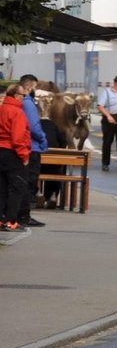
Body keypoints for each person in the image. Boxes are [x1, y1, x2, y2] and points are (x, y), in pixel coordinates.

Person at [17, 75, 48, 227]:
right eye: (35, 87)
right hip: (32, 147)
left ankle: (19, 215)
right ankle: (24, 216)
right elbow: (34, 126)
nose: (35, 90)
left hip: (25, 146)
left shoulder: (21, 102)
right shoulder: (28, 104)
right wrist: (43, 140)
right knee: (29, 183)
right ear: (29, 87)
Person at [0, 84, 31, 232]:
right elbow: (18, 138)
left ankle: (1, 220)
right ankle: (10, 221)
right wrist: (24, 156)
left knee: (2, 188)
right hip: (12, 153)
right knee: (17, 188)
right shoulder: (17, 112)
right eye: (23, 95)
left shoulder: (1, 108)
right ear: (16, 96)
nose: (24, 98)